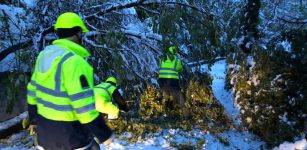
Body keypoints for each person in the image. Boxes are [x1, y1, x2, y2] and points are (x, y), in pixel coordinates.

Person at [26, 12, 113, 150]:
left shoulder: (43, 56)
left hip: (45, 135)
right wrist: (105, 135)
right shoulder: (75, 62)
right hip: (71, 137)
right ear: (78, 33)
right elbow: (84, 107)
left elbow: (32, 91)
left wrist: (34, 120)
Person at [158, 46, 190, 118]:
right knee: (180, 99)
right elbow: (180, 69)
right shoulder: (176, 60)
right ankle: (187, 117)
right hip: (172, 82)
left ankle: (164, 113)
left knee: (165, 97)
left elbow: (160, 67)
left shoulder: (162, 58)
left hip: (162, 82)